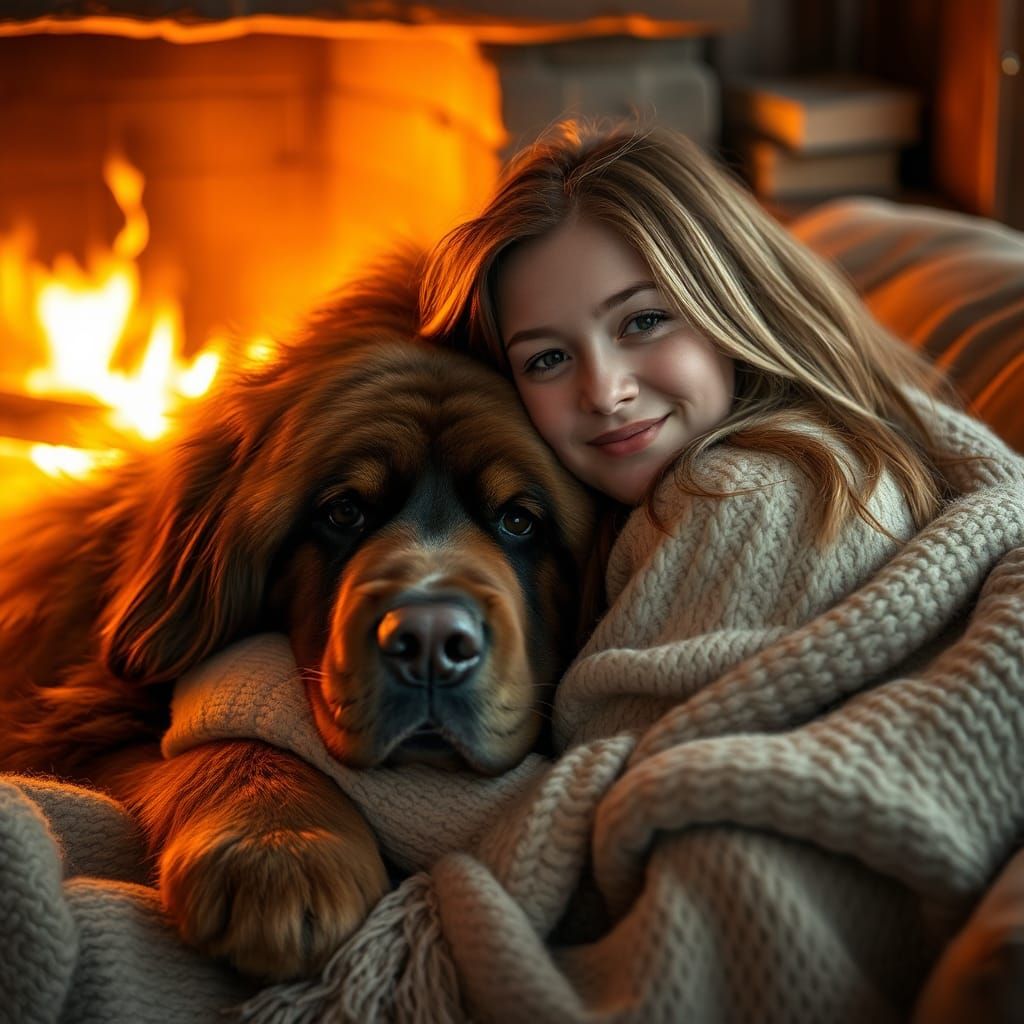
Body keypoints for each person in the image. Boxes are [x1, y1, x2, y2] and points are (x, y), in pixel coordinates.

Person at [418, 120, 1024, 1021]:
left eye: (643, 321)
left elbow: (588, 820)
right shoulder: (747, 456)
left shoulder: (744, 490)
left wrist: (261, 713)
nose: (604, 388)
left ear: (731, 303)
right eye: (548, 358)